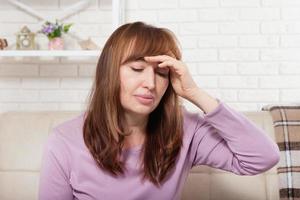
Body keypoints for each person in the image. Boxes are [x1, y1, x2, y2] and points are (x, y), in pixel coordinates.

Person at [38, 21, 280, 200]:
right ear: (110, 72)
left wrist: (195, 93)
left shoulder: (186, 131)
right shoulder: (65, 140)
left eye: (161, 72)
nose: (151, 84)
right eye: (136, 68)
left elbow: (263, 157)